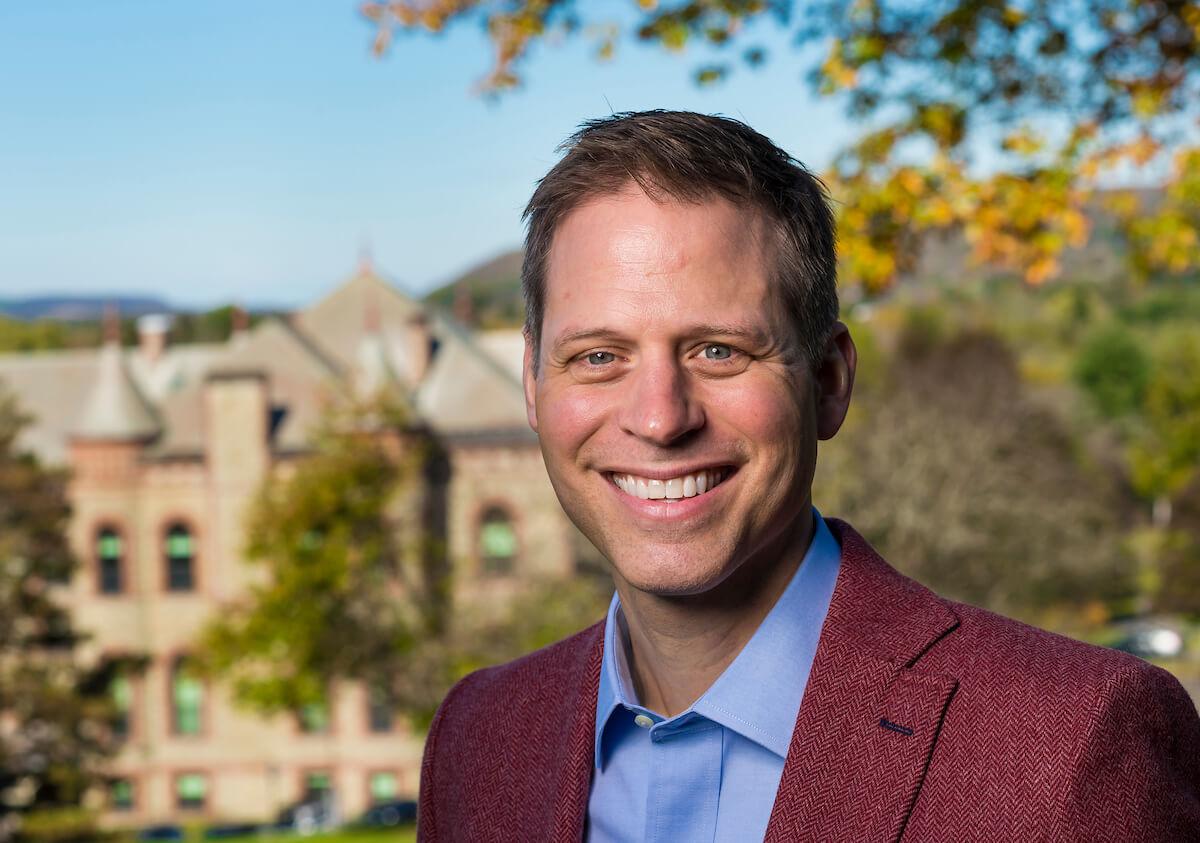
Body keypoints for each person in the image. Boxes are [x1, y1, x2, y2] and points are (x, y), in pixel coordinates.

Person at [418, 110, 1200, 841]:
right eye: (599, 356)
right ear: (533, 384)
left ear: (828, 380)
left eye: (718, 350)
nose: (658, 418)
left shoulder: (1070, 745)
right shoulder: (479, 739)